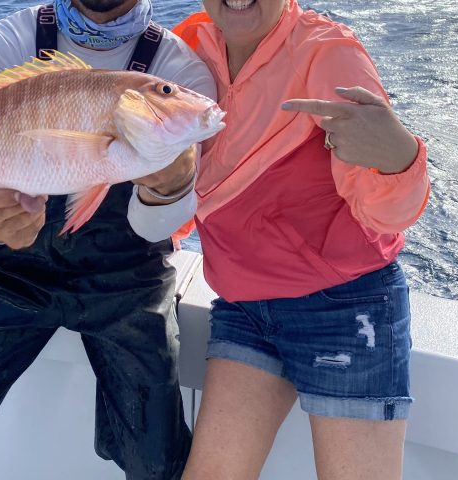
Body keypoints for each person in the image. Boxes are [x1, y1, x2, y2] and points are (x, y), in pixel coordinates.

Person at [0, 0, 216, 478]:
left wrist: (170, 186)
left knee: (158, 451)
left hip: (129, 280)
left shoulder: (179, 72)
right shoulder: (4, 43)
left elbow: (154, 227)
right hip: (11, 270)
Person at [173, 1, 430, 479]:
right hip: (244, 306)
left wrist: (398, 158)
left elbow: (386, 217)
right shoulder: (186, 48)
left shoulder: (329, 53)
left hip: (346, 310)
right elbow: (177, 177)